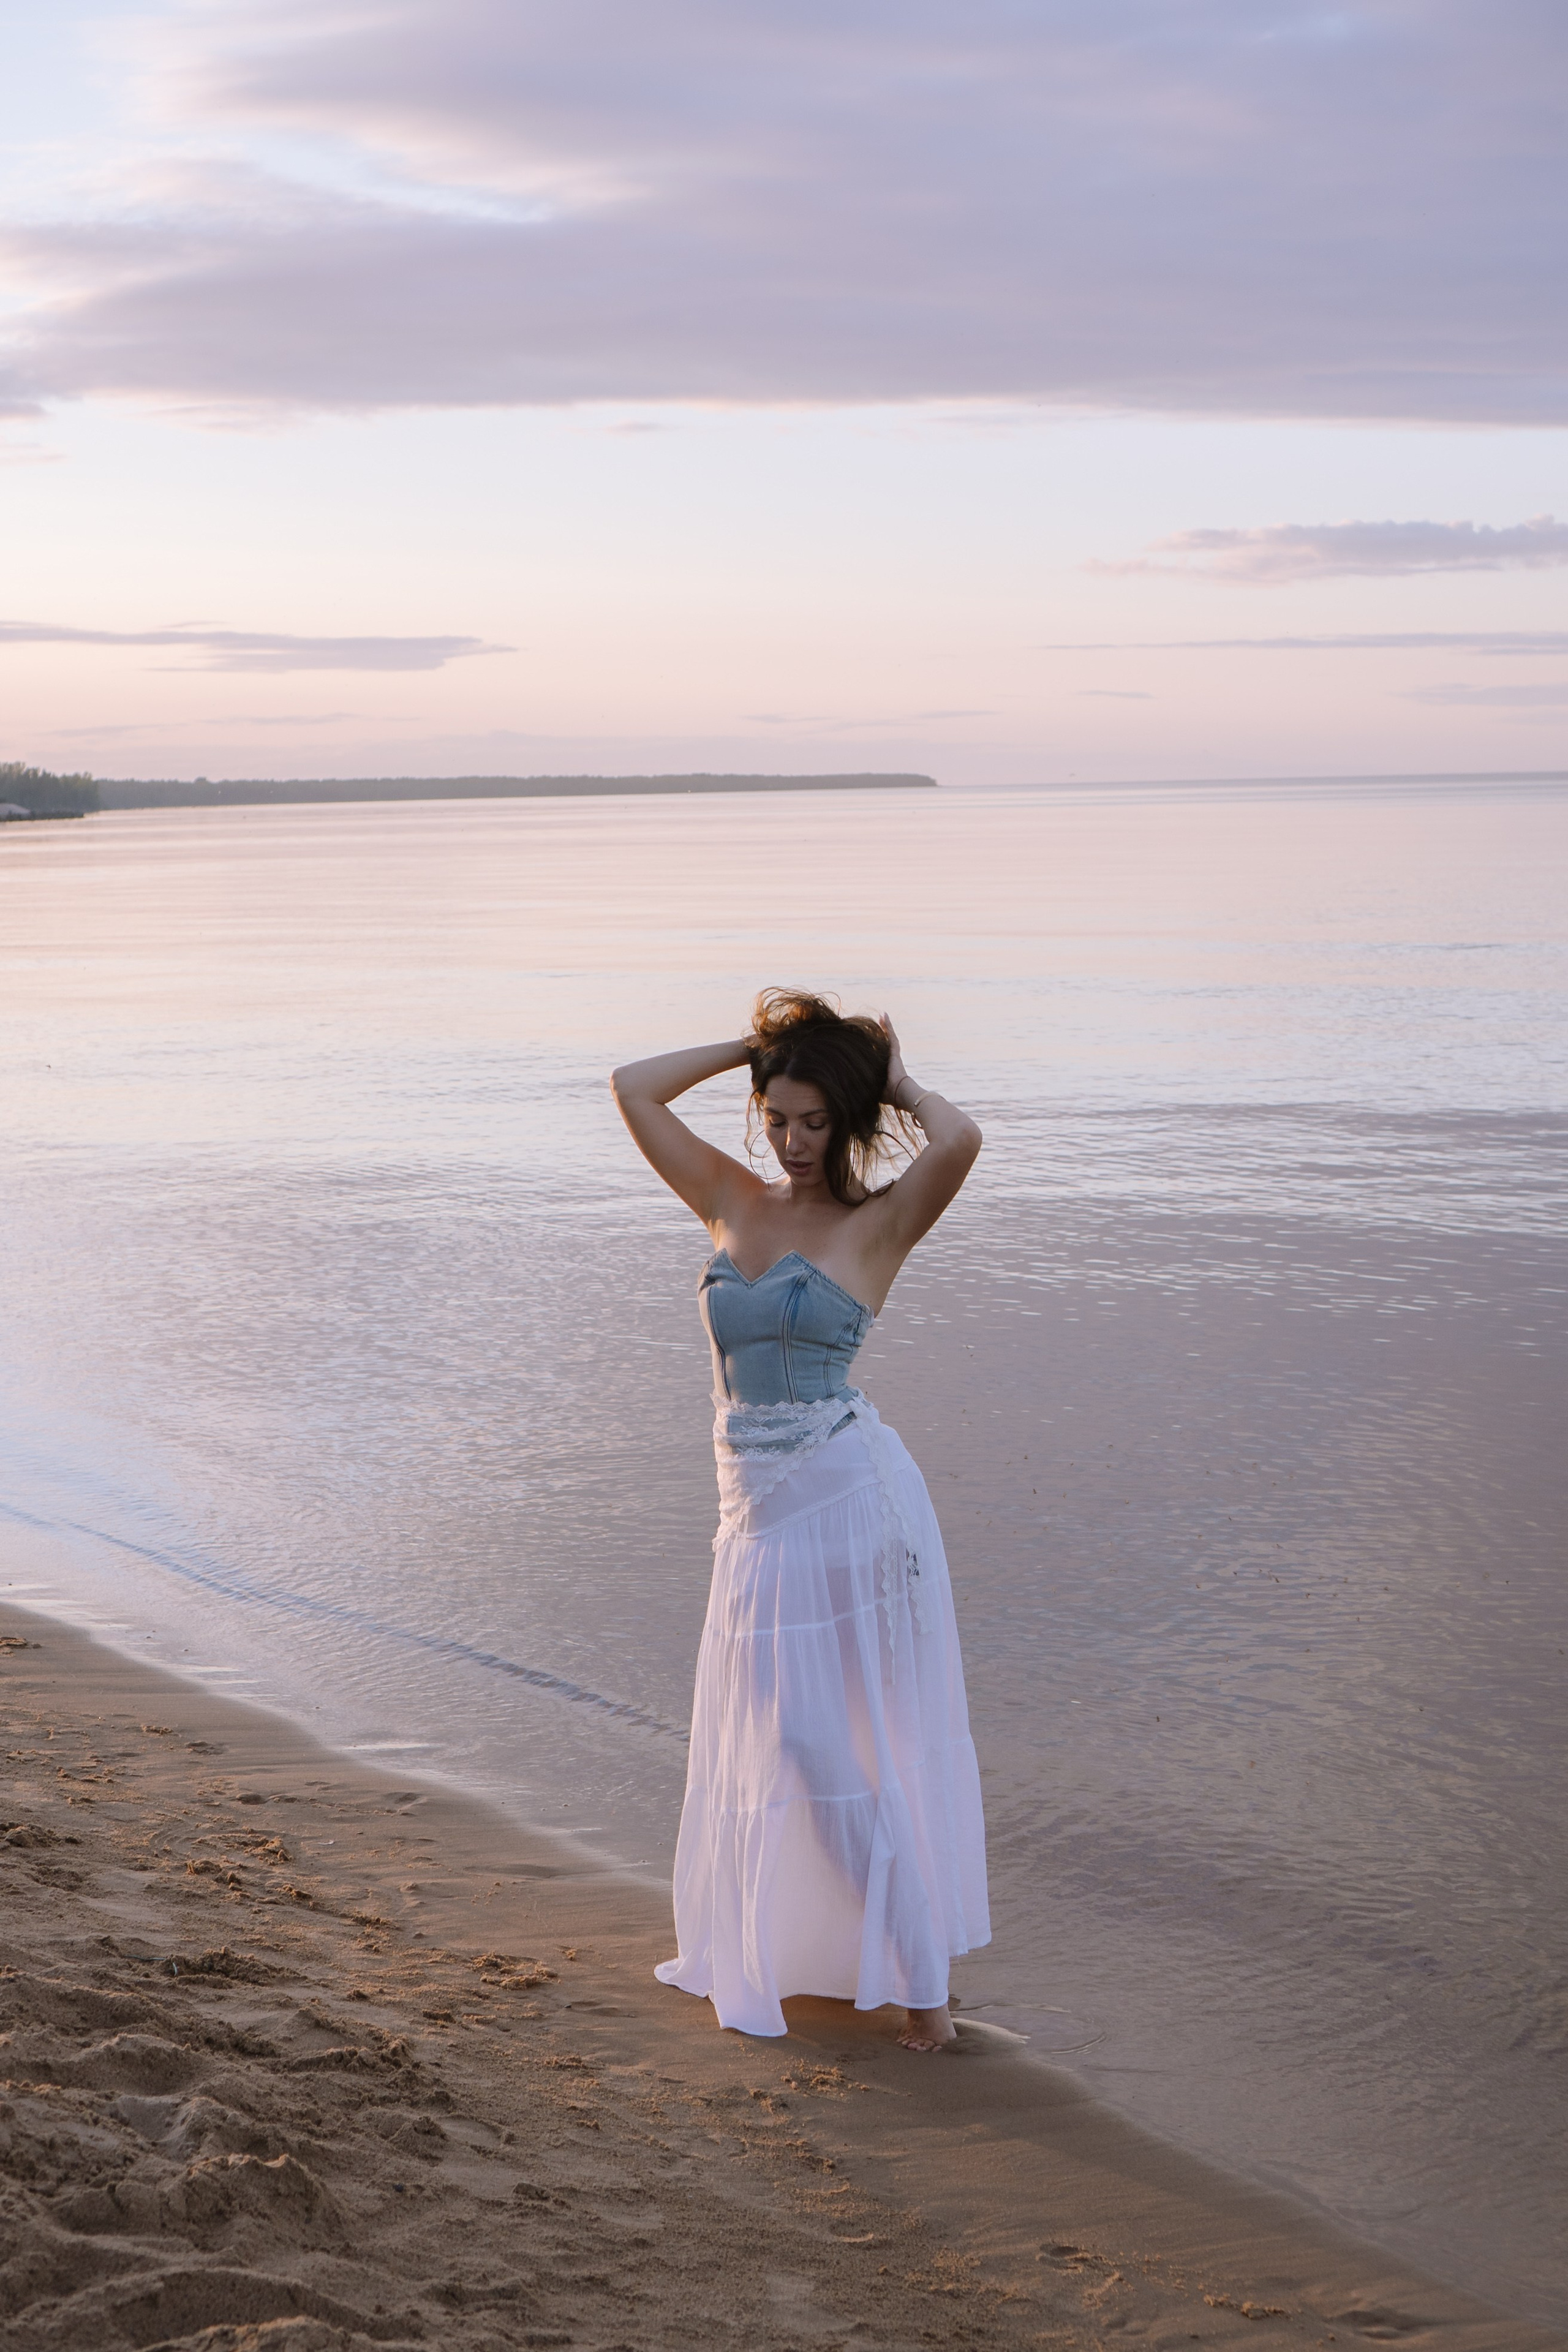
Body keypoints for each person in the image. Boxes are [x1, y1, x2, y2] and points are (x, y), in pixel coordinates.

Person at [611, 990, 990, 2051]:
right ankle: (895, 1977)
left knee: (830, 1748)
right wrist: (757, 1046)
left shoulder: (879, 1224)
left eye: (818, 1121)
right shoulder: (729, 1195)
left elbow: (959, 1138)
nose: (794, 1142)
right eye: (778, 1117)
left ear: (853, 1119)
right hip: (755, 1516)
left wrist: (890, 1069)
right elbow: (632, 1087)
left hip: (847, 1503)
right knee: (800, 1741)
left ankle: (925, 1998)